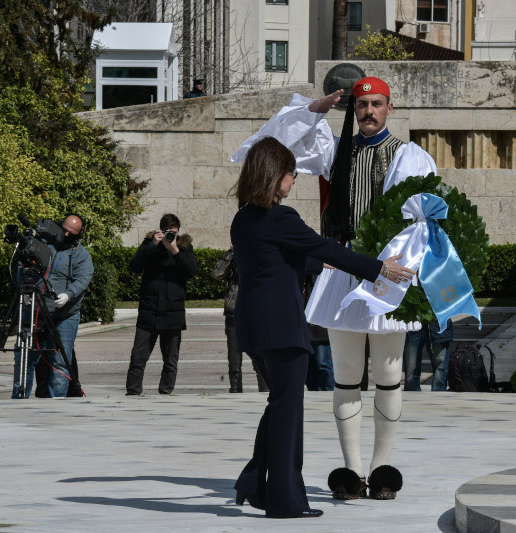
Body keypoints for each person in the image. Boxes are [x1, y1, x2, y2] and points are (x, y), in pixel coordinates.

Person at [231, 76, 437, 500]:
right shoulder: (335, 152)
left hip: (391, 271)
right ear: (354, 110)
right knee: (345, 375)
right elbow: (267, 150)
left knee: (388, 373)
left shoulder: (410, 155)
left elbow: (427, 218)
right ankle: (351, 470)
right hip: (345, 270)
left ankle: (382, 470)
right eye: (362, 105)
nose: (369, 112)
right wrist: (312, 110)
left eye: (377, 104)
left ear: (389, 108)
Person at [12, 213, 94, 399]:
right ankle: (18, 398)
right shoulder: (41, 244)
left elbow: (83, 279)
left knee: (60, 362)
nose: (65, 235)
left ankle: (57, 401)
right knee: (24, 358)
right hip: (33, 310)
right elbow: (19, 269)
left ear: (80, 233)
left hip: (64, 315)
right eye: (63, 230)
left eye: (71, 233)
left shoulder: (81, 254)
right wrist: (22, 274)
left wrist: (68, 294)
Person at [125, 214, 198, 396]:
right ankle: (133, 391)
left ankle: (166, 390)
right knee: (138, 357)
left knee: (171, 359)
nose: (170, 236)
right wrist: (152, 246)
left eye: (173, 233)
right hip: (149, 310)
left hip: (173, 312)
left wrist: (175, 250)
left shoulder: (184, 246)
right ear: (160, 230)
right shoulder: (150, 244)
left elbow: (191, 271)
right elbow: (134, 266)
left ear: (178, 232)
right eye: (167, 232)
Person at [211, 248, 268, 393]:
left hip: (256, 313)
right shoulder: (233, 256)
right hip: (234, 311)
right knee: (234, 359)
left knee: (260, 357)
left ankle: (265, 391)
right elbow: (217, 274)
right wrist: (231, 254)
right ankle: (235, 390)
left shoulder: (261, 252)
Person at [403, 318, 453, 391]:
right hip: (414, 320)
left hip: (437, 320)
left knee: (440, 365)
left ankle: (439, 396)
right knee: (411, 367)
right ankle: (412, 394)